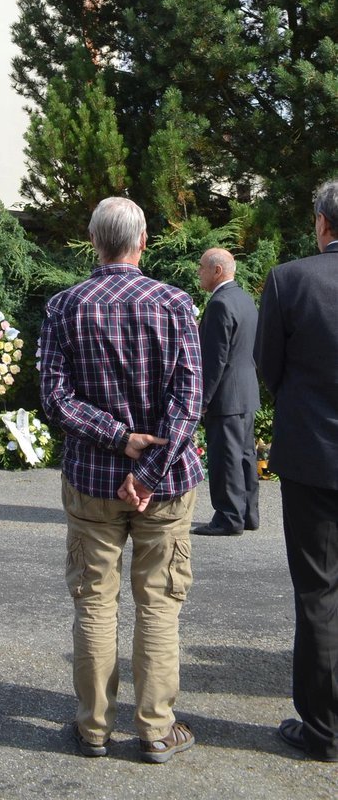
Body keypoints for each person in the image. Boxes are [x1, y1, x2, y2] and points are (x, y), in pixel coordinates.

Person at [37, 197, 202, 764]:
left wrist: (118, 441)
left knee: (94, 602)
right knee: (159, 603)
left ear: (93, 239)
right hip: (166, 482)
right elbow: (189, 404)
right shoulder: (177, 304)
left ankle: (94, 728)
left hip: (93, 479)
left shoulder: (66, 306)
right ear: (144, 239)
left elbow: (55, 399)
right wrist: (150, 466)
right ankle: (156, 729)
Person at [254, 179, 338, 764]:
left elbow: (268, 367)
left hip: (313, 454)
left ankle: (325, 731)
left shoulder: (290, 279)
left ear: (322, 224)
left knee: (318, 592)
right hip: (310, 451)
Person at [194, 247, 259, 537]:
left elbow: (215, 359)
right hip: (245, 391)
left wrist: (203, 399)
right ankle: (248, 514)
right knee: (244, 455)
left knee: (226, 457)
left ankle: (228, 518)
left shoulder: (220, 304)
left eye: (202, 267)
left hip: (225, 394)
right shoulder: (245, 299)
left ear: (217, 270)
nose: (199, 272)